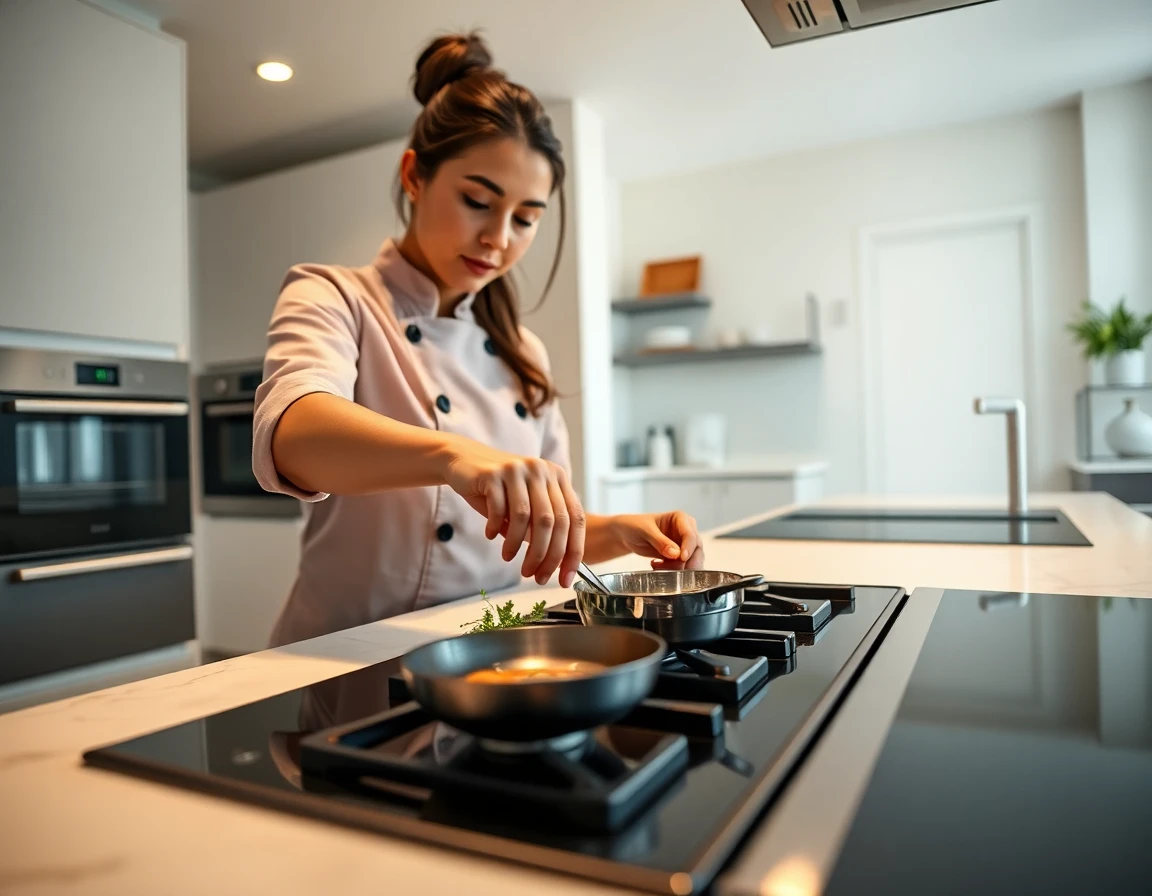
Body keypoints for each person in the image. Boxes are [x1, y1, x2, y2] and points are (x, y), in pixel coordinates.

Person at [253, 32, 704, 648]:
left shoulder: (524, 352)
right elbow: (293, 435)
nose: (498, 238)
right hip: (348, 657)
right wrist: (453, 456)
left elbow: (545, 524)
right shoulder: (334, 296)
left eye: (525, 218)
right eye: (476, 201)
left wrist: (623, 530)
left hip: (491, 652)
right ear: (414, 176)